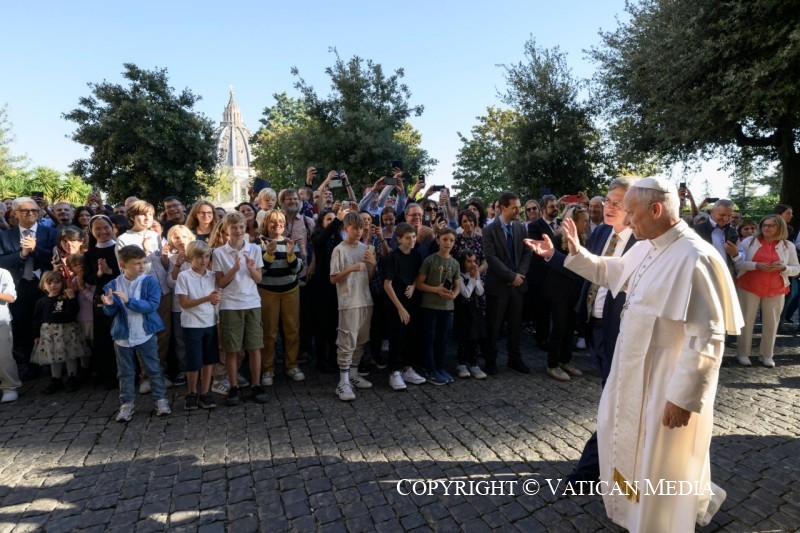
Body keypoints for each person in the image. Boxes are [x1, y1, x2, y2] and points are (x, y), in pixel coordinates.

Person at [527, 176, 742, 532]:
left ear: (656, 209)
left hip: (665, 380)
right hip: (630, 367)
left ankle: (657, 522)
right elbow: (613, 272)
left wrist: (683, 398)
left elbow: (707, 337)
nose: (625, 220)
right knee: (621, 440)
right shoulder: (647, 245)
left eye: (631, 212)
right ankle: (629, 507)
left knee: (658, 458)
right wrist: (574, 253)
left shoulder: (696, 257)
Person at [102, 245, 171, 422]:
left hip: (145, 332)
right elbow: (110, 312)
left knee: (153, 368)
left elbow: (152, 305)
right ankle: (127, 403)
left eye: (143, 262)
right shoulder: (113, 285)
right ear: (123, 264)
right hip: (123, 336)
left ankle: (160, 399)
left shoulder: (149, 282)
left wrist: (129, 301)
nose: (141, 267)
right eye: (137, 263)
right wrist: (109, 305)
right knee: (125, 372)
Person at [0, 197, 59, 380]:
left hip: (47, 286)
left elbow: (55, 258)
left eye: (34, 210)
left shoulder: (51, 233)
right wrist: (23, 254)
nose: (30, 213)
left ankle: (54, 367)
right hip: (20, 287)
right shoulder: (5, 236)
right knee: (24, 327)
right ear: (15, 213)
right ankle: (32, 365)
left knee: (50, 325)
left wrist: (35, 249)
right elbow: (2, 261)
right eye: (25, 210)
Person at [212, 212, 266, 406]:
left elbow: (259, 279)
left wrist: (250, 268)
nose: (238, 231)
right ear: (226, 229)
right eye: (234, 227)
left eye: (241, 227)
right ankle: (233, 386)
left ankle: (256, 384)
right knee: (232, 349)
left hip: (252, 302)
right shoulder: (219, 253)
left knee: (254, 347)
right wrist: (234, 269)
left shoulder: (254, 249)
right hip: (230, 305)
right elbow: (221, 283)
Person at [735, 215, 799, 367]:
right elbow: (738, 263)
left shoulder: (788, 245)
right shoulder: (749, 241)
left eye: (771, 225)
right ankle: (743, 353)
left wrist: (784, 268)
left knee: (772, 323)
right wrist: (755, 265)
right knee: (746, 320)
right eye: (764, 225)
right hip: (749, 285)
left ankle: (767, 355)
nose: (766, 228)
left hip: (776, 288)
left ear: (780, 227)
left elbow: (796, 269)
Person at [483, 192, 532, 375]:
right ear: (503, 208)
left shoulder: (521, 228)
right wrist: (511, 276)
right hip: (498, 287)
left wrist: (520, 274)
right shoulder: (489, 230)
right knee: (494, 326)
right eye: (515, 208)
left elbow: (527, 253)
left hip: (518, 286)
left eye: (519, 207)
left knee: (515, 325)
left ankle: (514, 359)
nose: (518, 211)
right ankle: (490, 361)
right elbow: (491, 257)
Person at [330, 212, 377, 401]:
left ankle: (353, 375)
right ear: (346, 228)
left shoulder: (365, 248)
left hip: (365, 299)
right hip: (348, 302)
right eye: (355, 228)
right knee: (346, 341)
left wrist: (373, 264)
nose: (358, 231)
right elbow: (333, 278)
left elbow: (369, 277)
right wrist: (351, 268)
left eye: (361, 228)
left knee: (361, 340)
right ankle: (342, 382)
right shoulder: (339, 250)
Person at [540, 206, 590, 381]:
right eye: (584, 220)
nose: (587, 224)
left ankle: (565, 360)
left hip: (573, 292)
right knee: (559, 327)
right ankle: (552, 365)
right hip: (558, 292)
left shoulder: (583, 239)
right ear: (573, 222)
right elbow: (553, 263)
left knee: (570, 327)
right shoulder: (557, 238)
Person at [257, 209, 305, 386]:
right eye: (273, 221)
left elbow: (298, 269)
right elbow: (258, 272)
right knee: (269, 332)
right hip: (267, 291)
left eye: (281, 221)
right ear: (266, 224)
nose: (277, 224)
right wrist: (268, 254)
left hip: (290, 291)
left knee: (292, 329)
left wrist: (291, 254)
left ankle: (292, 365)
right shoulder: (259, 243)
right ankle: (267, 368)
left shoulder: (290, 242)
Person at [175, 241, 221, 410]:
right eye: (199, 257)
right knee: (194, 362)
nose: (203, 260)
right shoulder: (184, 276)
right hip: (192, 324)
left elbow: (215, 298)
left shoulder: (212, 276)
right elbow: (184, 303)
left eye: (206, 256)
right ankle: (192, 392)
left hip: (210, 322)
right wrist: (207, 298)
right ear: (190, 258)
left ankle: (205, 392)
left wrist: (215, 300)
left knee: (209, 361)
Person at [381, 222, 427, 390]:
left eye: (414, 237)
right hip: (396, 304)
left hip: (412, 302)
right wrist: (400, 308)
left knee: (411, 337)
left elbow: (418, 275)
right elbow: (387, 285)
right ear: (399, 239)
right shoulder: (393, 257)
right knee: (397, 338)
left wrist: (413, 286)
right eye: (408, 238)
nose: (412, 240)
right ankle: (394, 371)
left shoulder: (415, 254)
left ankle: (407, 368)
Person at [32, 270, 91, 393]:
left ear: (62, 283)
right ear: (44, 285)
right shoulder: (41, 302)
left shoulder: (65, 298)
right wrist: (36, 335)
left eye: (57, 282)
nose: (53, 285)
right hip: (49, 334)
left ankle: (72, 378)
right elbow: (37, 319)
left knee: (70, 355)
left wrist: (72, 298)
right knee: (53, 357)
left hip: (67, 331)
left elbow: (73, 312)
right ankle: (56, 379)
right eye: (50, 283)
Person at [416, 227, 461, 385]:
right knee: (430, 338)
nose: (448, 243)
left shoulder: (455, 263)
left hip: (447, 307)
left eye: (451, 240)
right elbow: (419, 284)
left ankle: (440, 368)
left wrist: (453, 295)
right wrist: (436, 289)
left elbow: (457, 285)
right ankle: (430, 369)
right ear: (438, 240)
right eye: (445, 239)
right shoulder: (430, 260)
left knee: (442, 339)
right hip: (430, 306)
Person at [82, 215, 121, 388]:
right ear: (91, 231)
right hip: (100, 298)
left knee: (121, 333)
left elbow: (127, 273)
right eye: (97, 228)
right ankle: (108, 373)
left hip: (120, 296)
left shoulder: (119, 249)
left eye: (106, 227)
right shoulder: (89, 254)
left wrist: (109, 270)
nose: (103, 231)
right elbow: (89, 279)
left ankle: (126, 371)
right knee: (103, 336)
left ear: (112, 228)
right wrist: (99, 273)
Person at [453, 249, 487, 379]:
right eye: (468, 261)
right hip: (462, 310)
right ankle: (461, 363)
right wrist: (472, 279)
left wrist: (475, 278)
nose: (472, 264)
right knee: (463, 337)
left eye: (474, 261)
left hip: (475, 310)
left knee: (475, 337)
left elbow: (480, 292)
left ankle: (474, 364)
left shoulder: (474, 273)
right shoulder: (459, 275)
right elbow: (466, 293)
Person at [0, 266, 19, 403]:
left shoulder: (2, 273)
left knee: (4, 357)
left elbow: (11, 297)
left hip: (1, 321)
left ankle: (9, 387)